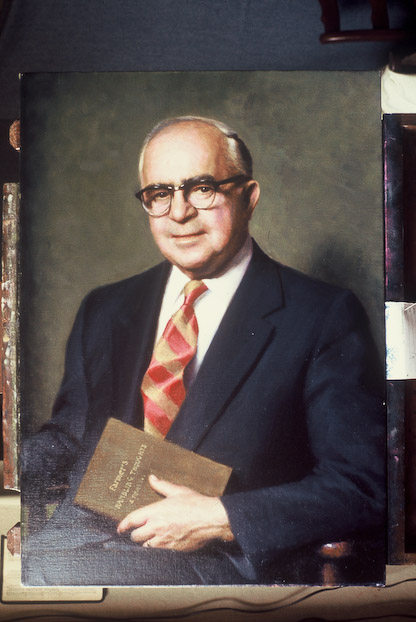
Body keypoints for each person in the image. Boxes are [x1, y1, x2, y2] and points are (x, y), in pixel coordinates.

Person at [21, 116, 385, 586]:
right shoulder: (105, 308)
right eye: (160, 193)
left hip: (219, 568)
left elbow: (361, 485)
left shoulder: (323, 314)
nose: (179, 213)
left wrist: (222, 517)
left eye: (202, 189)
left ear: (249, 197)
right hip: (76, 545)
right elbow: (72, 438)